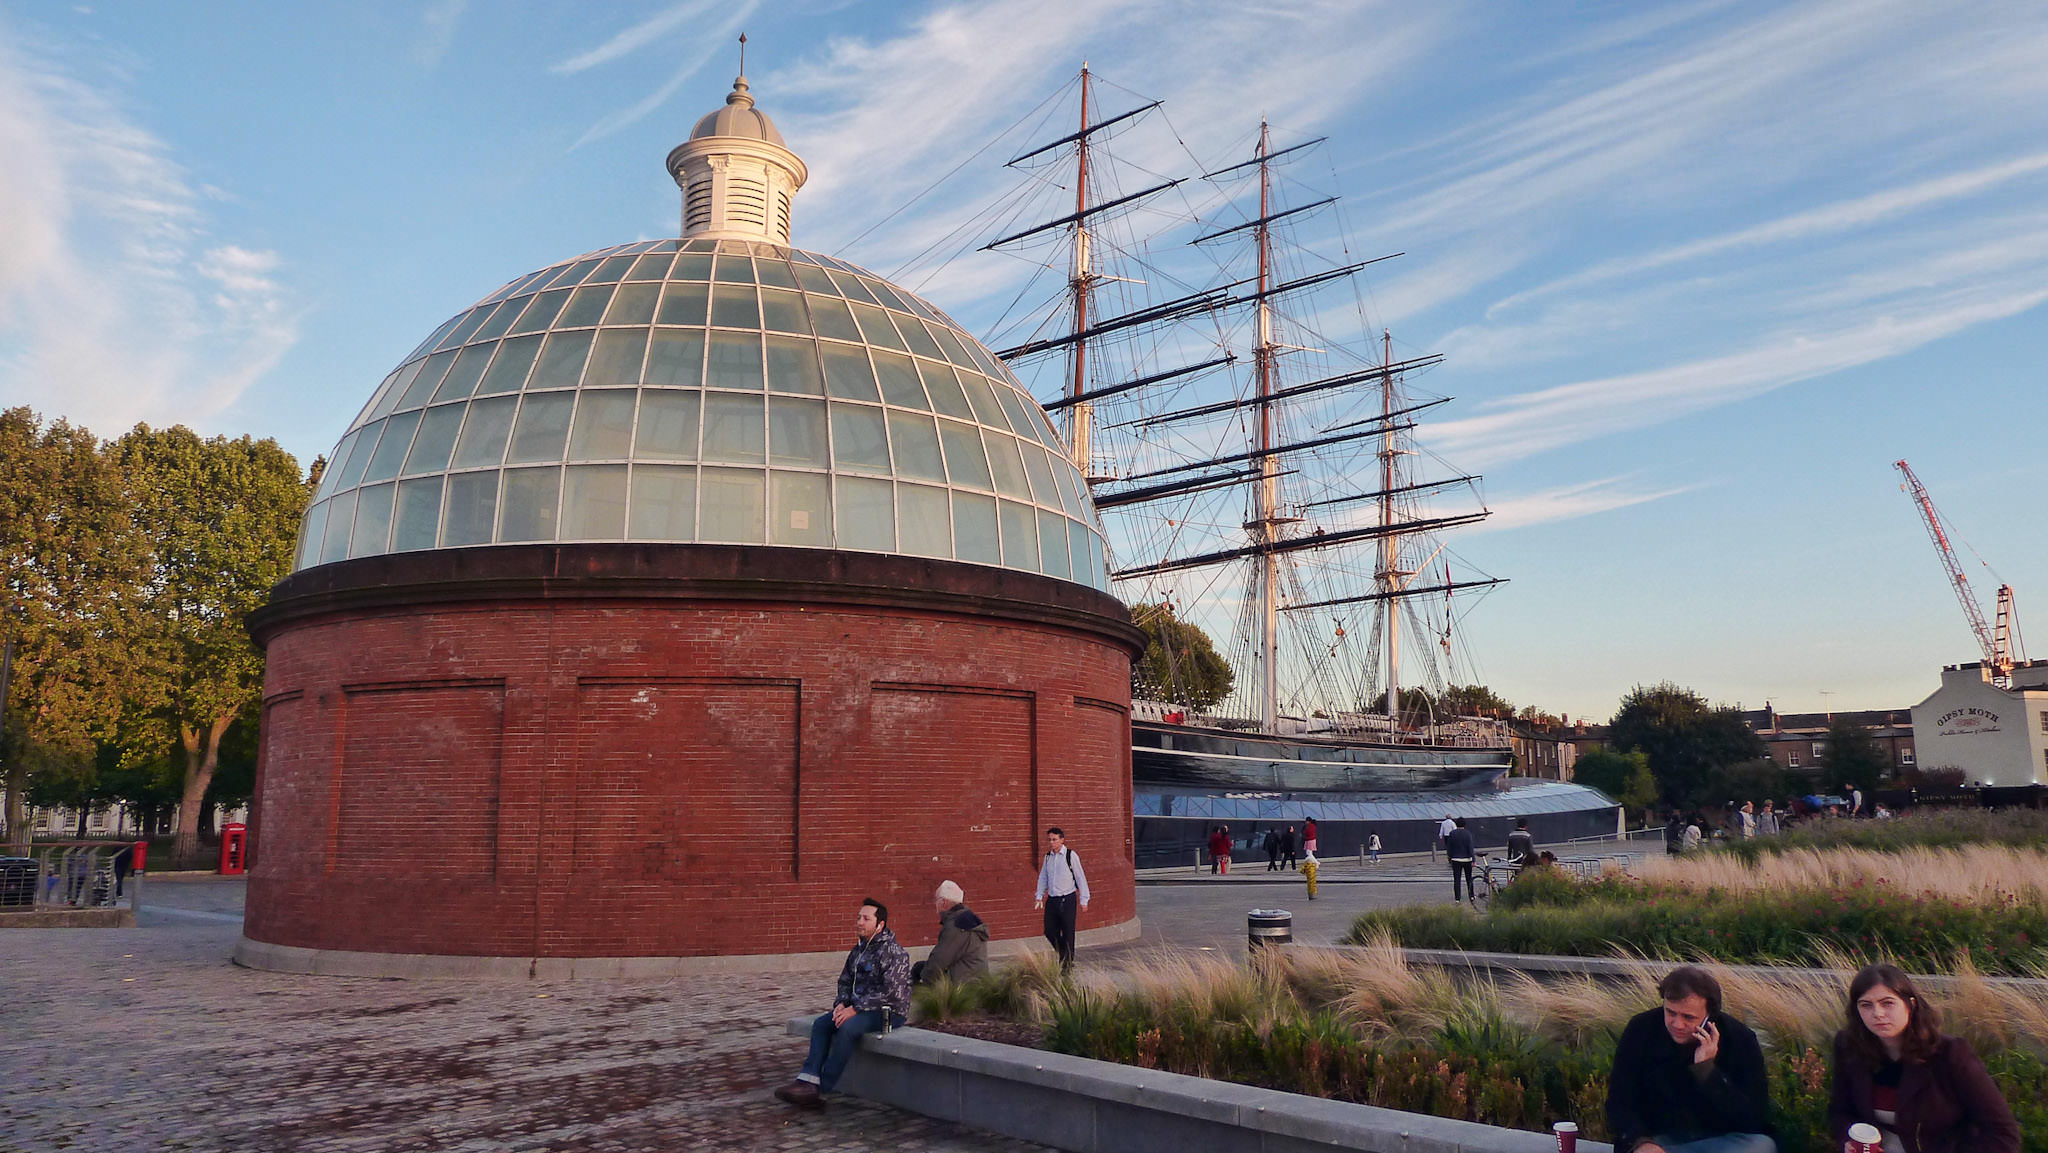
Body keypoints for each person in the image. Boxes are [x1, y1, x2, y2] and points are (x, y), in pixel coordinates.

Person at [1828, 963, 2019, 1153]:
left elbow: (2003, 1133)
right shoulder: (1849, 1047)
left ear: (1911, 1004)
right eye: (1866, 1005)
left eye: (1888, 1003)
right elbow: (1840, 1112)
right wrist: (1849, 1142)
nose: (1877, 1013)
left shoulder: (1951, 1054)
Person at [1605, 965, 1776, 1153]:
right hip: (1658, 1140)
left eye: (1689, 1017)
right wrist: (1640, 1142)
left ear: (1708, 1016)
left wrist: (1707, 1071)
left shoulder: (1739, 1039)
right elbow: (1619, 1101)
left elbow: (1752, 1118)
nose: (1678, 1024)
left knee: (1761, 1146)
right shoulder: (1641, 1029)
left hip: (1720, 1140)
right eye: (1670, 1013)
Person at [774, 897, 912, 1110]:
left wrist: (855, 1009)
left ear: (880, 924)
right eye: (858, 918)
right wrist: (841, 1004)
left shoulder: (893, 952)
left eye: (866, 918)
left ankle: (822, 1088)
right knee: (822, 1024)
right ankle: (807, 1080)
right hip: (856, 1008)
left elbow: (890, 991)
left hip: (887, 1011)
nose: (859, 922)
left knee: (847, 1028)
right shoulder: (858, 950)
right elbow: (845, 981)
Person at [1033, 826, 1090, 974]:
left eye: (1054, 839)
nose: (1052, 842)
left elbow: (1080, 877)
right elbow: (1043, 877)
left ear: (1062, 840)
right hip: (1052, 899)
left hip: (1068, 898)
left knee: (1068, 931)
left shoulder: (1070, 856)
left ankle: (1067, 964)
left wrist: (1084, 899)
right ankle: (1064, 952)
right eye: (1050, 840)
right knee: (1049, 930)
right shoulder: (1048, 857)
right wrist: (1039, 895)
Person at [911, 880, 988, 987]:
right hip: (975, 980)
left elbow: (939, 962)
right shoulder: (967, 920)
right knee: (921, 967)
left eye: (936, 900)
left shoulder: (956, 926)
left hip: (963, 988)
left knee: (919, 971)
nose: (935, 905)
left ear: (944, 902)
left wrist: (924, 980)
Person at [1445, 817, 1476, 904]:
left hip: (1456, 859)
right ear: (1464, 824)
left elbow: (1449, 847)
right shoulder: (1468, 834)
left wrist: (1450, 857)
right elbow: (1470, 847)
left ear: (1456, 824)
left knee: (1457, 879)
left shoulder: (1452, 833)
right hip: (1467, 859)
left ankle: (1457, 898)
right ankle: (1471, 896)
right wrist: (1473, 859)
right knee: (1469, 878)